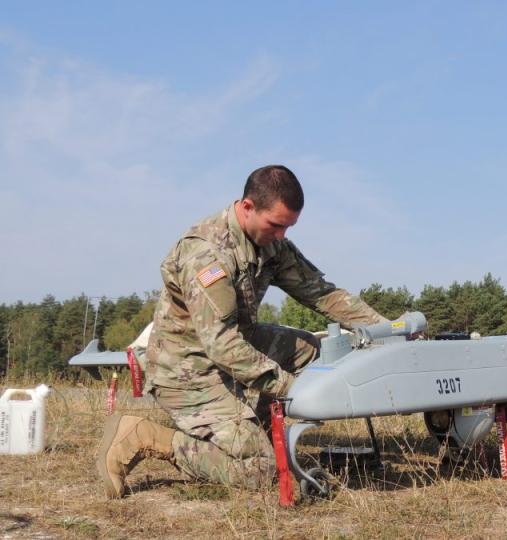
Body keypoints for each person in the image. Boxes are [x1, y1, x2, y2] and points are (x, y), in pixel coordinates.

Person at [96, 165, 388, 498]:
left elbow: (322, 294)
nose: (282, 236)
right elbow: (221, 343)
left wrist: (387, 332)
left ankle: (257, 433)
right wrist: (291, 389)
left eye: (288, 227)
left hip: (232, 347)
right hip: (187, 371)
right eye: (276, 225)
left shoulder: (271, 243)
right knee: (261, 470)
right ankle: (144, 436)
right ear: (247, 206)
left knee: (308, 350)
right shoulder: (207, 255)